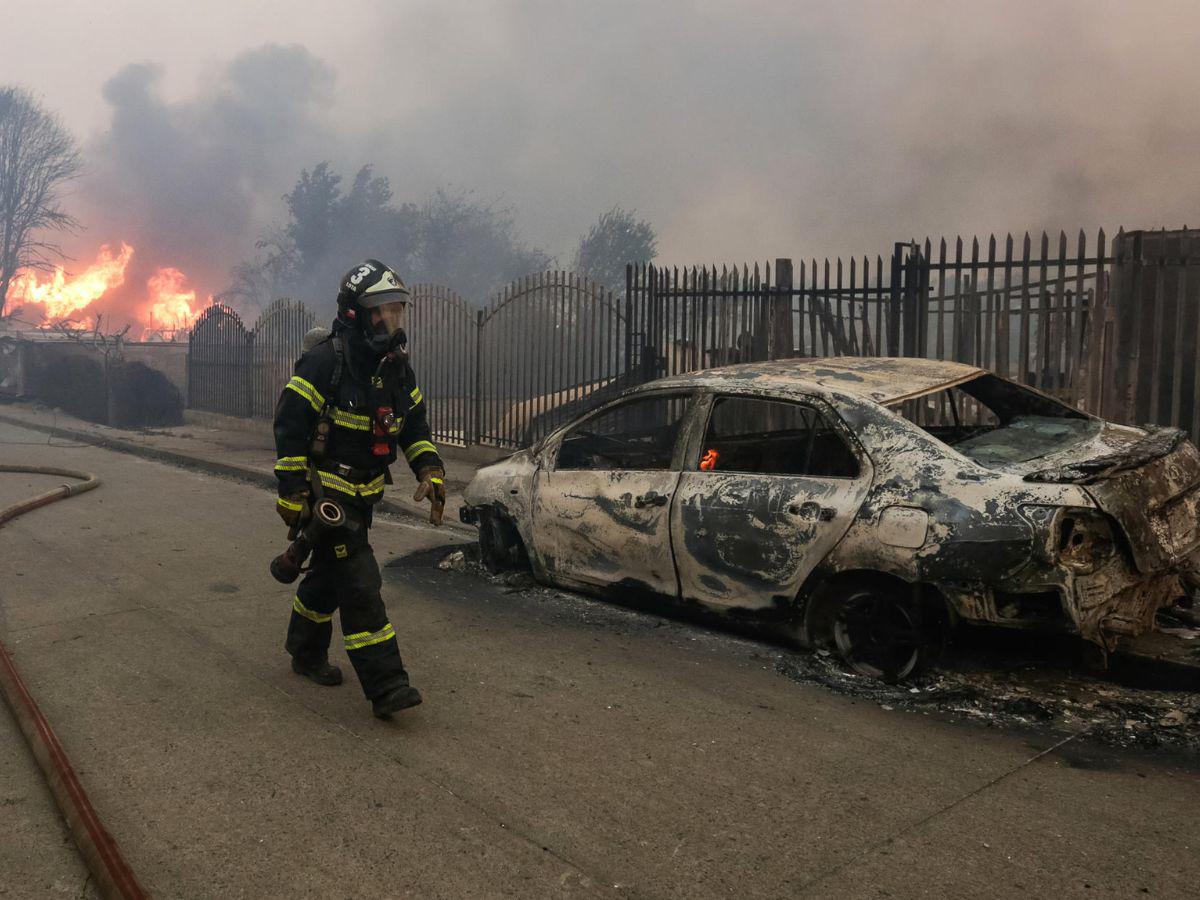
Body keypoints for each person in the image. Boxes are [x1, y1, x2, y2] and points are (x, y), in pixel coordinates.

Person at [272, 260, 445, 718]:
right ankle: (387, 685)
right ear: (354, 313)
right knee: (360, 583)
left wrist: (431, 470)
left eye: (396, 312)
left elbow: (415, 427)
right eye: (381, 312)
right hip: (326, 496)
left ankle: (305, 652)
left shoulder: (396, 371)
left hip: (365, 496)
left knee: (328, 579)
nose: (391, 322)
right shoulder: (325, 361)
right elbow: (290, 425)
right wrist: (292, 491)